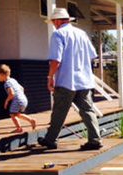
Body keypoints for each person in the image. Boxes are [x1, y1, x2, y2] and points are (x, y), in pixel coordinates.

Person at [37, 8, 102, 151]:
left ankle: (50, 139)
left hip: (66, 80)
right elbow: (92, 55)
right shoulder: (82, 33)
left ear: (58, 21)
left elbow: (56, 60)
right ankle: (95, 139)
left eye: (54, 21)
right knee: (88, 110)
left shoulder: (58, 34)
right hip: (84, 80)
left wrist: (50, 77)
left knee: (59, 111)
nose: (53, 24)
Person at [0, 64, 36, 133]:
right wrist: (20, 96)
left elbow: (12, 94)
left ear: (2, 74)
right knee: (16, 114)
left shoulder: (7, 83)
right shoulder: (13, 80)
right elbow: (22, 88)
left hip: (18, 100)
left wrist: (6, 101)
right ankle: (31, 120)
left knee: (12, 114)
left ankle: (19, 128)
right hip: (23, 98)